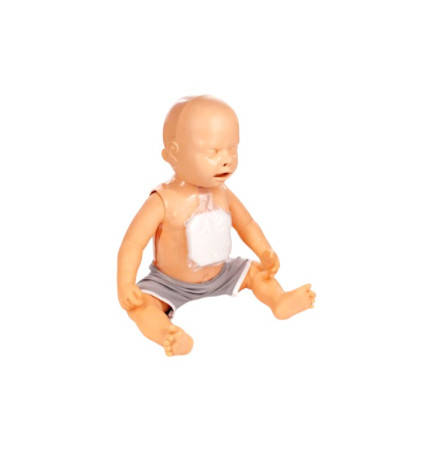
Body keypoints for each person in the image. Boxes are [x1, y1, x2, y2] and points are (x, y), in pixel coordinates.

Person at [117, 96, 316, 356]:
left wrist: (265, 251)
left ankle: (279, 300)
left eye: (233, 149)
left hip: (223, 273)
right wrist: (125, 284)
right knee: (141, 305)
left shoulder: (223, 193)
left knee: (257, 273)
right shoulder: (163, 201)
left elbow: (247, 224)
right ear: (174, 153)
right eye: (212, 152)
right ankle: (168, 334)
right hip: (169, 283)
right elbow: (132, 244)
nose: (227, 160)